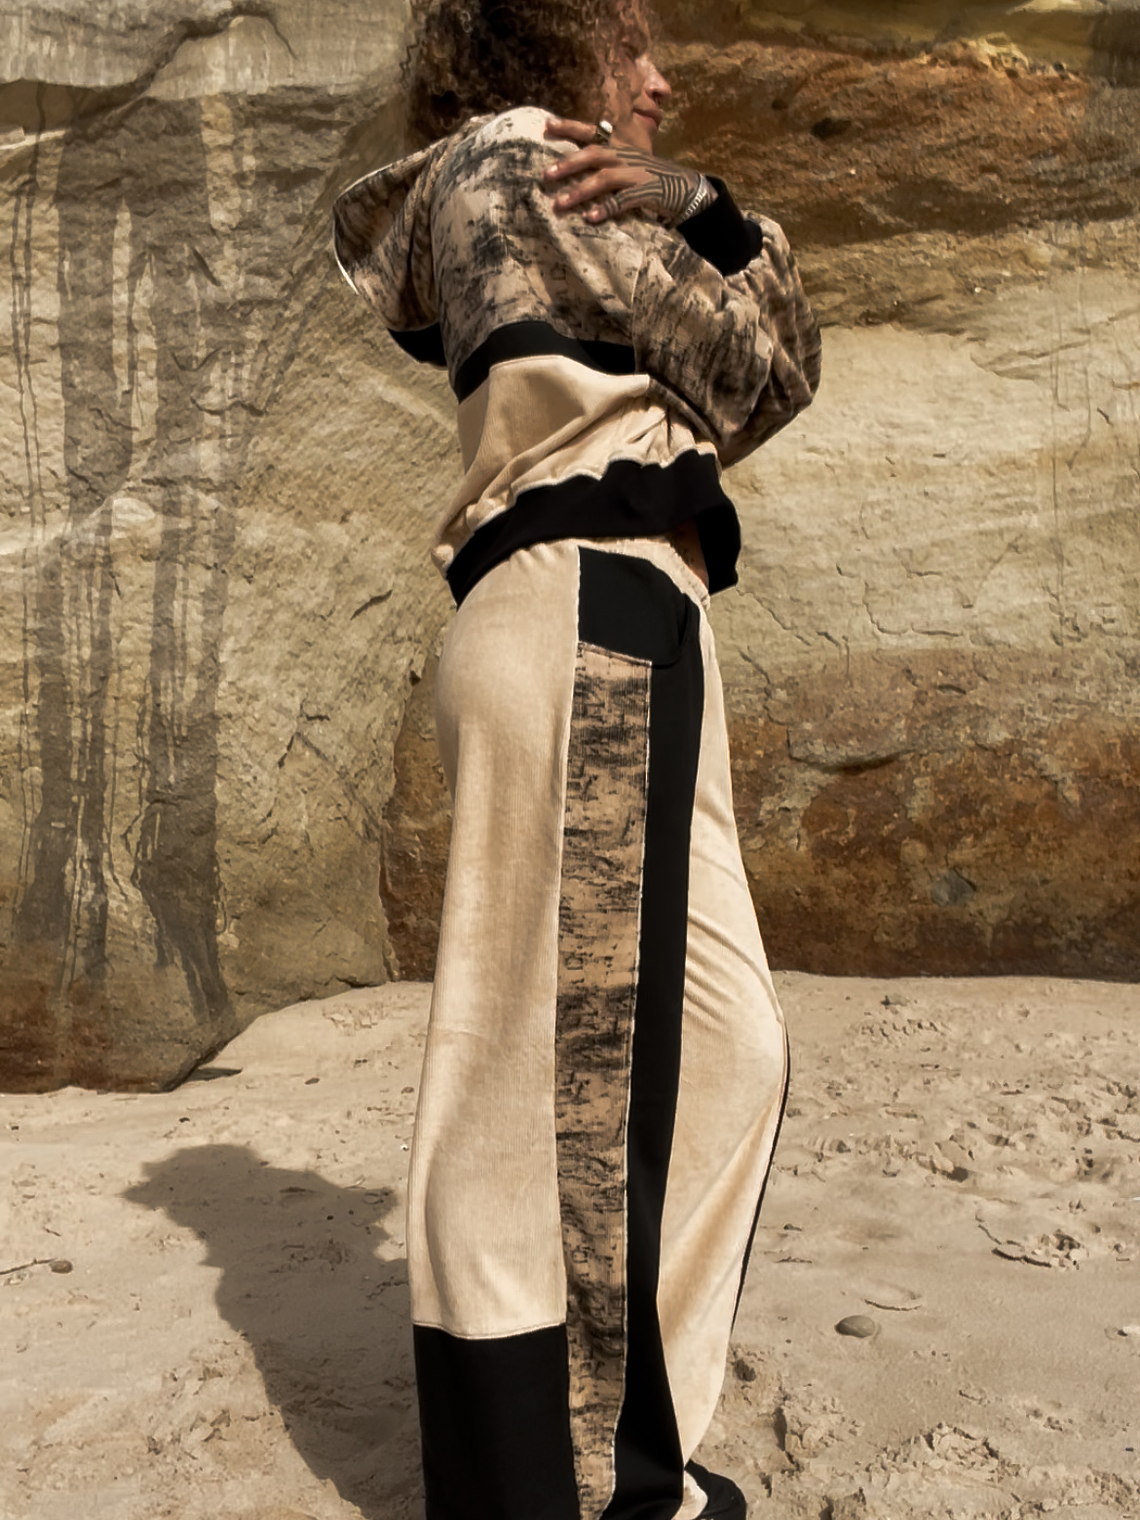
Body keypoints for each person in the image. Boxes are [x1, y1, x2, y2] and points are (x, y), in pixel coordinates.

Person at [332, 3, 821, 1516]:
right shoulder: (522, 162)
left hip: (625, 614)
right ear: (547, 46)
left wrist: (710, 211)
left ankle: (619, 1443)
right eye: (629, 43)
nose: (662, 79)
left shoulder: (521, 184)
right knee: (561, 1086)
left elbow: (768, 375)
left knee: (729, 1051)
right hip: (587, 602)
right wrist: (721, 223)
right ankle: (571, 1487)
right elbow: (755, 370)